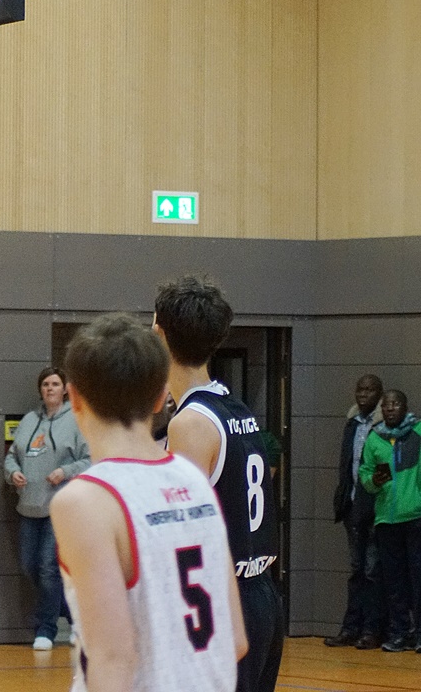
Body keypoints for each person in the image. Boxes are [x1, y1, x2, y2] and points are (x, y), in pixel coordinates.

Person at [50, 312, 247, 692]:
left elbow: (114, 659)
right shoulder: (193, 478)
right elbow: (235, 638)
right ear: (161, 396)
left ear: (74, 397)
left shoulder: (84, 500)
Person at [154, 275, 284, 692]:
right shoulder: (233, 405)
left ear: (159, 333)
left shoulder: (190, 423)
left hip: (226, 600)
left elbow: (182, 534)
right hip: (260, 593)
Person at [2, 366, 91, 650]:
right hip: (29, 504)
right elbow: (12, 457)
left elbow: (90, 460)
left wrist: (65, 471)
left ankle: (46, 628)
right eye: (45, 385)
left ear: (65, 389)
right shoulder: (30, 420)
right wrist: (12, 472)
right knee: (30, 566)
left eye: (55, 384)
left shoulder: (77, 420)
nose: (50, 389)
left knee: (48, 567)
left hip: (60, 507)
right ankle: (72, 613)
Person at [357, 389, 421, 653]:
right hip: (386, 519)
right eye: (386, 406)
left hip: (416, 517)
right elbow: (365, 473)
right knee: (394, 582)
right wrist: (373, 481)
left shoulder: (418, 431)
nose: (390, 409)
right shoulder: (375, 438)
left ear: (404, 407)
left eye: (395, 404)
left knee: (418, 578)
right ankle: (399, 633)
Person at [326, 374, 385, 649]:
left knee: (373, 571)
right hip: (351, 506)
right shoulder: (352, 422)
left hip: (375, 508)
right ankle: (351, 628)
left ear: (379, 394)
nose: (363, 394)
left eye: (369, 390)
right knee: (356, 571)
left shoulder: (385, 424)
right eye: (359, 389)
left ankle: (372, 630)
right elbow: (346, 465)